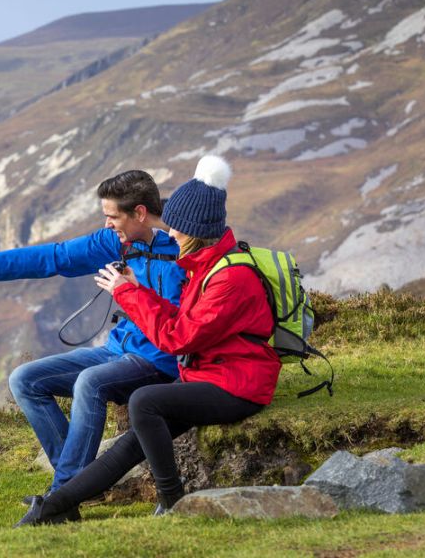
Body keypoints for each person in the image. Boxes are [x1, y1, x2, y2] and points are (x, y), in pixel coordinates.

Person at [15, 154, 280, 526]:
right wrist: (140, 290)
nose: (170, 234)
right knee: (127, 446)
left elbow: (177, 338)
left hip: (237, 384)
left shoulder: (230, 278)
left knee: (144, 401)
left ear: (195, 231)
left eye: (177, 229)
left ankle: (171, 499)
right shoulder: (205, 267)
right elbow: (181, 321)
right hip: (208, 377)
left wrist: (127, 293)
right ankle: (55, 507)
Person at [0, 170, 186, 505]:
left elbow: (181, 324)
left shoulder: (184, 247)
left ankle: (62, 497)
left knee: (90, 383)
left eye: (112, 216)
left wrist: (132, 292)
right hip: (118, 349)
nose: (107, 224)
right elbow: (55, 257)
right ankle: (84, 484)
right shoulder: (116, 242)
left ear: (139, 213)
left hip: (157, 359)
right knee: (25, 379)